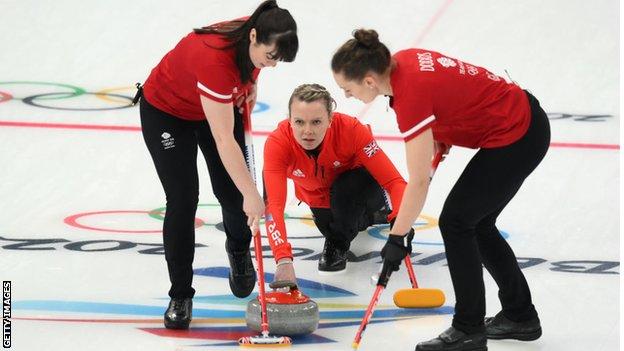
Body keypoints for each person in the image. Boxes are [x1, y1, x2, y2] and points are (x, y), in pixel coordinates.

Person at [331, 29, 549, 351]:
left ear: (368, 81)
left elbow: (417, 182)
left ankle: (468, 329)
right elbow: (449, 103)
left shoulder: (411, 96)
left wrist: (397, 236)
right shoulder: (402, 62)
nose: (347, 97)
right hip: (521, 123)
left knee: (457, 222)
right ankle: (520, 315)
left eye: (346, 89)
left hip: (518, 135)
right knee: (478, 223)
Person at [137, 0, 298, 330]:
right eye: (271, 57)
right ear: (253, 37)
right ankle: (180, 294)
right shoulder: (214, 59)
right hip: (168, 113)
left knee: (230, 192)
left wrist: (252, 83)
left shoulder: (259, 27)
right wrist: (253, 193)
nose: (273, 64)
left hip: (217, 102)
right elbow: (224, 140)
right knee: (184, 200)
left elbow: (252, 66)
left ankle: (238, 250)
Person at [262, 83, 407, 285]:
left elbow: (395, 182)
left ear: (330, 119)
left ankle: (351, 230)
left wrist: (401, 223)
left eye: (316, 122)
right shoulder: (278, 144)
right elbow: (273, 207)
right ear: (290, 120)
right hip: (319, 198)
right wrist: (283, 259)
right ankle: (366, 219)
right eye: (299, 122)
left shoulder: (351, 130)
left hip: (359, 187)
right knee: (336, 223)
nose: (307, 131)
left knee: (345, 192)